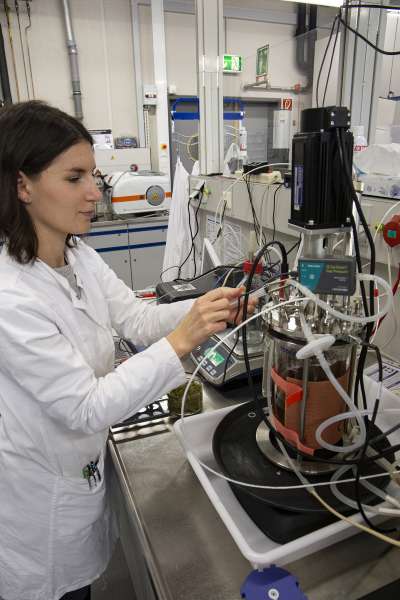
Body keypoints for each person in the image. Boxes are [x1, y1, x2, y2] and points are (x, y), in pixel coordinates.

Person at [0, 100, 256, 600]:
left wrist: (206, 308)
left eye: (93, 176)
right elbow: (85, 407)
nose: (95, 192)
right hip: (39, 505)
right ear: (22, 185)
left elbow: (136, 319)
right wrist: (182, 339)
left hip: (79, 471)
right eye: (74, 178)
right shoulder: (11, 296)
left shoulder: (78, 254)